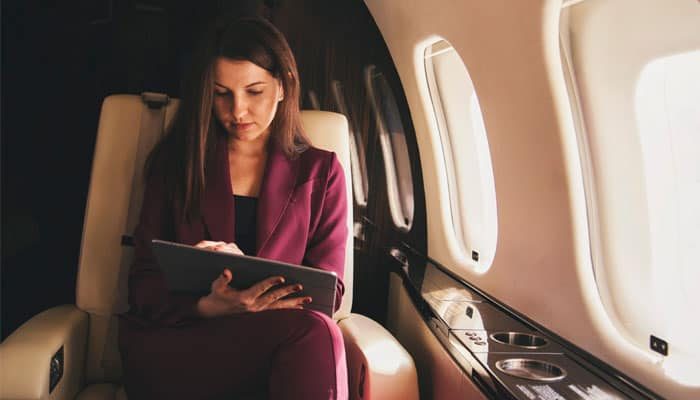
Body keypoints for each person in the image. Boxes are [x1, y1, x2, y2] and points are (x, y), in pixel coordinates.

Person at [118, 17, 349, 400]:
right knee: (316, 335)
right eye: (221, 93)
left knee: (319, 332)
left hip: (270, 346)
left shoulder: (321, 172)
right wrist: (207, 306)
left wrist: (256, 301)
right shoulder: (176, 164)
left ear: (283, 85)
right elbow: (142, 283)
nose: (237, 111)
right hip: (179, 342)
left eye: (253, 91)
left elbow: (328, 291)